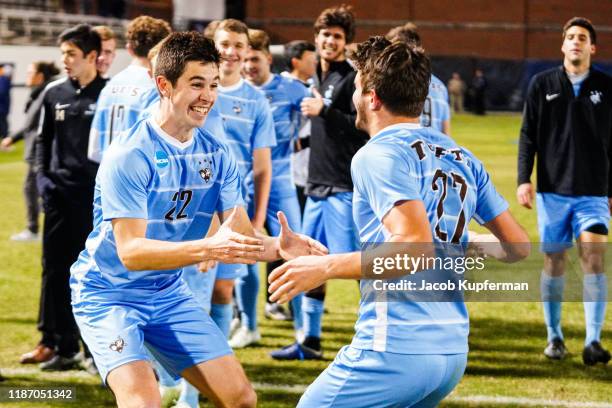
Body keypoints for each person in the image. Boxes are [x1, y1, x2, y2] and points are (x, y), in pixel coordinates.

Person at [268, 35, 530, 408]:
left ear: (372, 97)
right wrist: (460, 237)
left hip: (395, 349)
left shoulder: (376, 155)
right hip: (452, 351)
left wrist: (323, 267)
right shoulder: (462, 155)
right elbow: (516, 247)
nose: (353, 96)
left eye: (357, 88)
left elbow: (414, 248)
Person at [69, 31, 325, 407]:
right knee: (144, 401)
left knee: (240, 398)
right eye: (195, 84)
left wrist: (276, 247)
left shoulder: (217, 155)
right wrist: (208, 246)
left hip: (167, 294)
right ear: (164, 85)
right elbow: (132, 252)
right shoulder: (130, 154)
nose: (207, 96)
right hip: (109, 296)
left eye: (213, 85)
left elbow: (237, 233)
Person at [270, 4, 369, 361]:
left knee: (357, 267)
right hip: (315, 188)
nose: (330, 41)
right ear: (316, 39)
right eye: (325, 35)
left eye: (337, 37)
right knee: (310, 264)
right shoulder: (316, 79)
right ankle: (309, 340)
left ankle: (376, 338)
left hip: (342, 188)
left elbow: (362, 130)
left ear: (346, 43)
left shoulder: (352, 79)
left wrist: (324, 112)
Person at [517, 17, 612, 365]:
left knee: (594, 258)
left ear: (592, 47)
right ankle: (554, 336)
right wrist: (524, 179)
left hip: (593, 193)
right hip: (552, 192)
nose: (575, 42)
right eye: (570, 36)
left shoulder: (607, 86)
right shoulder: (542, 84)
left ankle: (592, 341)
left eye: (582, 37)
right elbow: (528, 134)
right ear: (562, 45)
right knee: (554, 262)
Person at [24, 24, 108, 371]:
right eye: (63, 55)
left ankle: (95, 350)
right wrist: (43, 179)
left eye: (71, 55)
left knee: (94, 274)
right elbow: (42, 140)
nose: (65, 61)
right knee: (54, 271)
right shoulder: (53, 93)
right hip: (58, 197)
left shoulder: (110, 94)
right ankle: (61, 344)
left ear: (92, 56)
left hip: (94, 201)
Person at [235, 28, 310, 346]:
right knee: (243, 254)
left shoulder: (293, 90)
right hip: (240, 185)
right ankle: (249, 326)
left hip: (280, 181)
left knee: (296, 252)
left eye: (254, 58)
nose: (249, 65)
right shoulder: (231, 91)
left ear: (267, 57)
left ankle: (303, 328)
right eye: (244, 58)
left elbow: (317, 122)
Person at [211, 19, 276, 340]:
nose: (231, 52)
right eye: (224, 44)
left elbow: (263, 167)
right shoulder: (196, 88)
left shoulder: (257, 101)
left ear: (248, 50)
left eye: (238, 45)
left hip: (234, 207)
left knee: (223, 289)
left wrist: (259, 218)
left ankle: (218, 358)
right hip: (191, 205)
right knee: (184, 287)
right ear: (213, 45)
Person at [88, 16, 171, 163]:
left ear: (130, 49)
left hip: (107, 178)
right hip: (139, 179)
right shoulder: (157, 87)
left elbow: (93, 151)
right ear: (163, 50)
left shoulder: (109, 86)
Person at [1, 62, 59, 242]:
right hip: (37, 150)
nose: (26, 76)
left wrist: (13, 137)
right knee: (36, 190)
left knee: (34, 190)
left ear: (40, 76)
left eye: (30, 72)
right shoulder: (39, 93)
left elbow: (34, 125)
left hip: (40, 151)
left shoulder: (46, 94)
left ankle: (33, 230)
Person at [387, 22, 451, 135]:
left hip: (408, 146)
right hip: (433, 148)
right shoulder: (441, 86)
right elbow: (446, 131)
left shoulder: (395, 83)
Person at [283, 40, 317, 211]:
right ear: (296, 62)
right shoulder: (282, 87)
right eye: (311, 59)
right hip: (288, 168)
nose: (316, 62)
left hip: (307, 168)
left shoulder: (311, 87)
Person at [0, 64, 11, 139]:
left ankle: (5, 140)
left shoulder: (3, 79)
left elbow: (2, 92)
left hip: (2, 107)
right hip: (3, 107)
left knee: (3, 124)